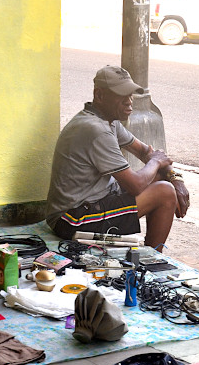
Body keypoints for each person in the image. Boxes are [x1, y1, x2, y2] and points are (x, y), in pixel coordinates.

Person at [46, 65, 190, 250]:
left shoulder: (108, 121)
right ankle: (154, 256)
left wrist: (176, 179)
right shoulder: (96, 130)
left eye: (130, 95)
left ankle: (151, 254)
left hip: (94, 202)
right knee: (164, 192)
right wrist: (156, 163)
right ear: (99, 96)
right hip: (71, 219)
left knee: (163, 179)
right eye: (121, 96)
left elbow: (146, 152)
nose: (129, 102)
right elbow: (137, 182)